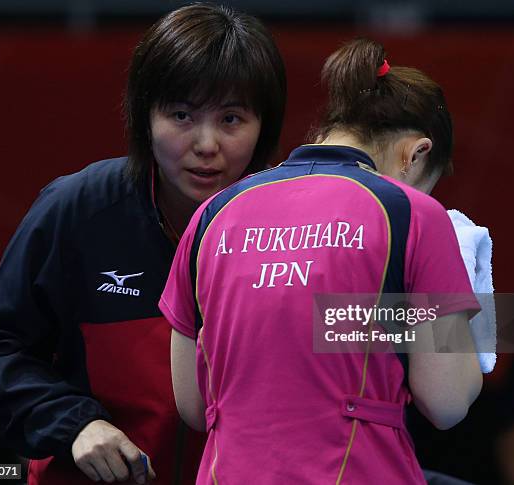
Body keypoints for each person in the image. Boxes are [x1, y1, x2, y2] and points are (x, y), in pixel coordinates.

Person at [0, 4, 286, 484]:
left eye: (232, 119)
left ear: (263, 128)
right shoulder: (78, 207)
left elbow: (355, 330)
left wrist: (432, 308)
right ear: (143, 117)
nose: (206, 143)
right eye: (181, 114)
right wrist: (75, 423)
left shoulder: (294, 226)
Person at [160, 37, 482, 484]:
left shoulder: (212, 215)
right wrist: (459, 308)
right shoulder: (411, 213)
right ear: (415, 153)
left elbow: (193, 406)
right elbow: (446, 401)